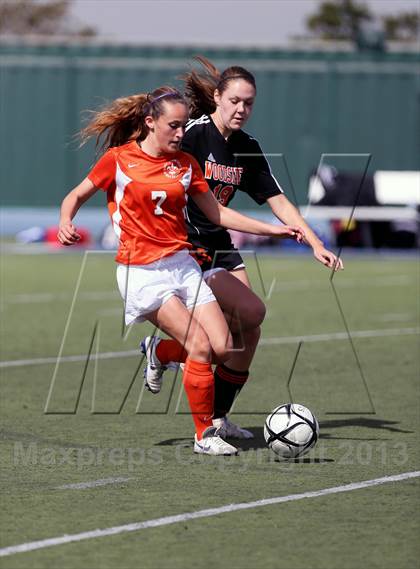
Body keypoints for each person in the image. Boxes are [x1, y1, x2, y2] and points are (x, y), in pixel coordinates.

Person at [57, 86, 305, 455]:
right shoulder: (119, 160)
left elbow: (217, 214)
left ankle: (160, 353)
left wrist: (274, 229)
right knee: (201, 346)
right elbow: (76, 195)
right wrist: (65, 220)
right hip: (141, 271)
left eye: (183, 126)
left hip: (183, 266)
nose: (180, 133)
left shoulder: (186, 164)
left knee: (224, 346)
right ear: (150, 122)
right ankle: (204, 435)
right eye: (173, 126)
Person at [141, 59, 344, 440]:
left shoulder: (247, 147)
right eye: (234, 101)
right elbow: (150, 160)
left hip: (221, 246)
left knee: (248, 330)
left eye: (249, 103)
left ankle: (214, 412)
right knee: (234, 328)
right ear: (217, 97)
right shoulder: (194, 135)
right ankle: (171, 361)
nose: (241, 110)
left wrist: (315, 241)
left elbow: (278, 200)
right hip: (186, 247)